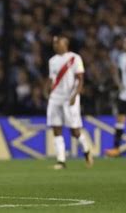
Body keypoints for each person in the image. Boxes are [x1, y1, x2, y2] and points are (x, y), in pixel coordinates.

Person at [45, 35, 93, 170]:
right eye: (54, 43)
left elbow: (80, 79)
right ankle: (61, 161)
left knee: (74, 131)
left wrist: (75, 95)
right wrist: (46, 89)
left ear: (65, 44)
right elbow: (51, 78)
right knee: (56, 128)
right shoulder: (52, 60)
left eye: (58, 43)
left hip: (69, 98)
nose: (55, 45)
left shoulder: (74, 58)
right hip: (55, 97)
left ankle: (87, 150)